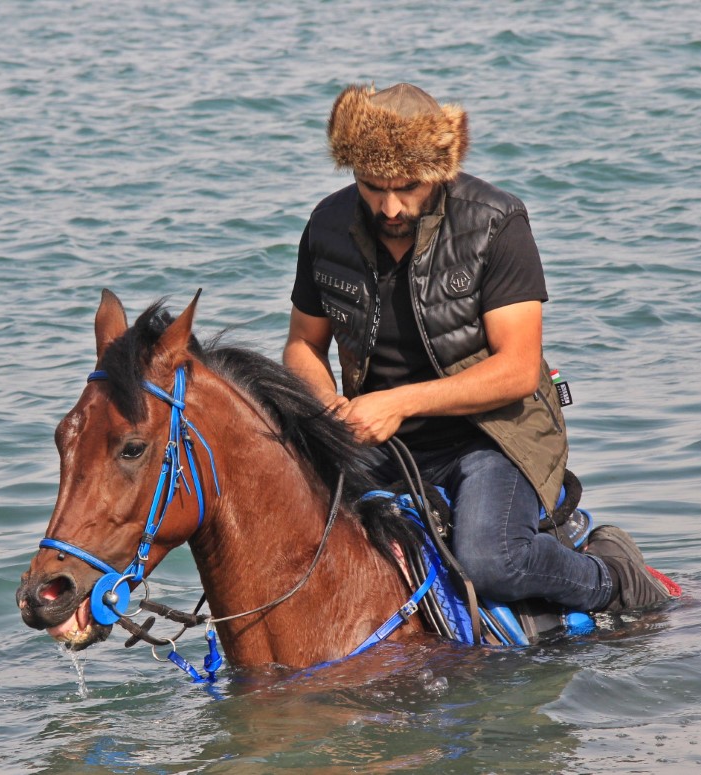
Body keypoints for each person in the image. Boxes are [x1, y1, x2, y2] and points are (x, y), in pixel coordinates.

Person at [282, 82, 673, 613]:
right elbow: (304, 344)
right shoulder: (327, 226)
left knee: (493, 563)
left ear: (440, 172)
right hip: (376, 436)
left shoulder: (495, 222)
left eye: (408, 187)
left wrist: (397, 402)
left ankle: (613, 578)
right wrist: (327, 410)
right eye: (373, 187)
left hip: (495, 435)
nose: (390, 207)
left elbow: (515, 371)